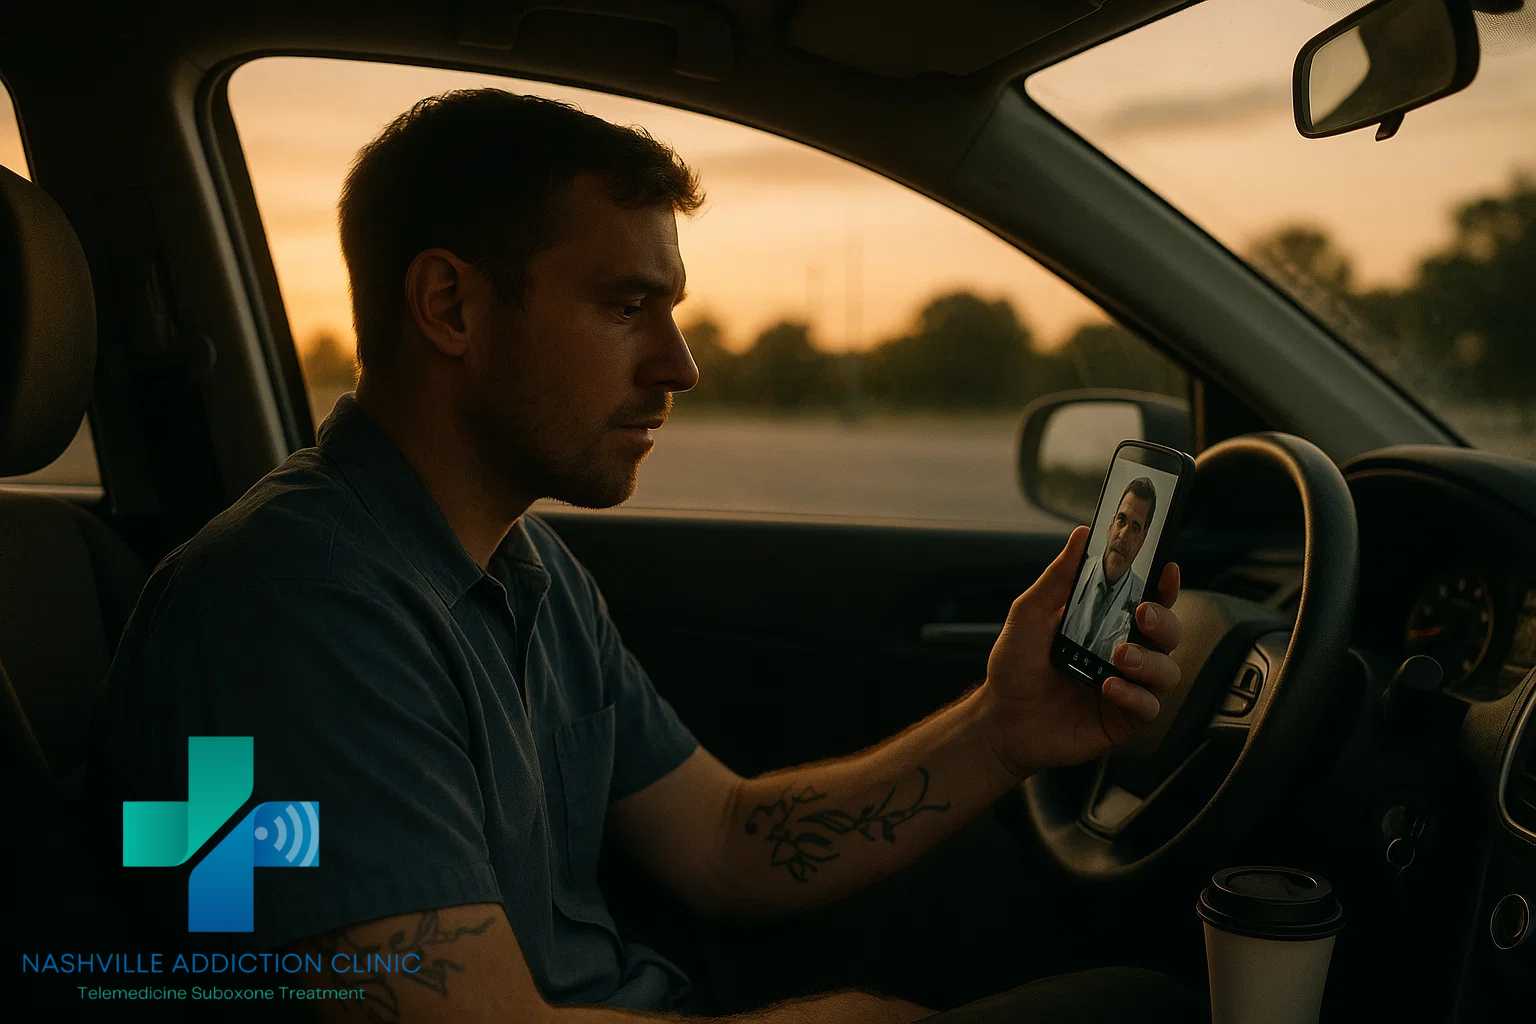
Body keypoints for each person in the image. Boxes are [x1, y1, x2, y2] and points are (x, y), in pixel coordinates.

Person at [90, 90, 1196, 1022]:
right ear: (450, 306)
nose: (680, 365)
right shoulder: (288, 610)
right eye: (627, 305)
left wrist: (1002, 728)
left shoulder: (523, 566)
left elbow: (723, 840)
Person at [1061, 478, 1158, 662]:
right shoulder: (1074, 573)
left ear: (1142, 540)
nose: (1123, 535)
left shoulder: (1144, 603)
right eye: (1121, 520)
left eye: (1135, 528)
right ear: (1111, 524)